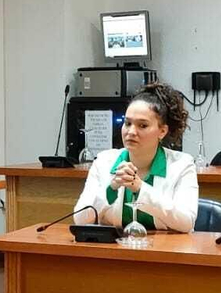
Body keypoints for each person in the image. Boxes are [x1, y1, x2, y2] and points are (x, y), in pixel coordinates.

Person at [73, 82, 200, 231]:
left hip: (164, 251)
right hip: (115, 251)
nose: (131, 132)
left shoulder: (182, 165)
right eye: (127, 123)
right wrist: (111, 187)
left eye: (142, 125)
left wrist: (141, 188)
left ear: (162, 131)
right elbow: (79, 219)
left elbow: (186, 222)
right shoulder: (103, 162)